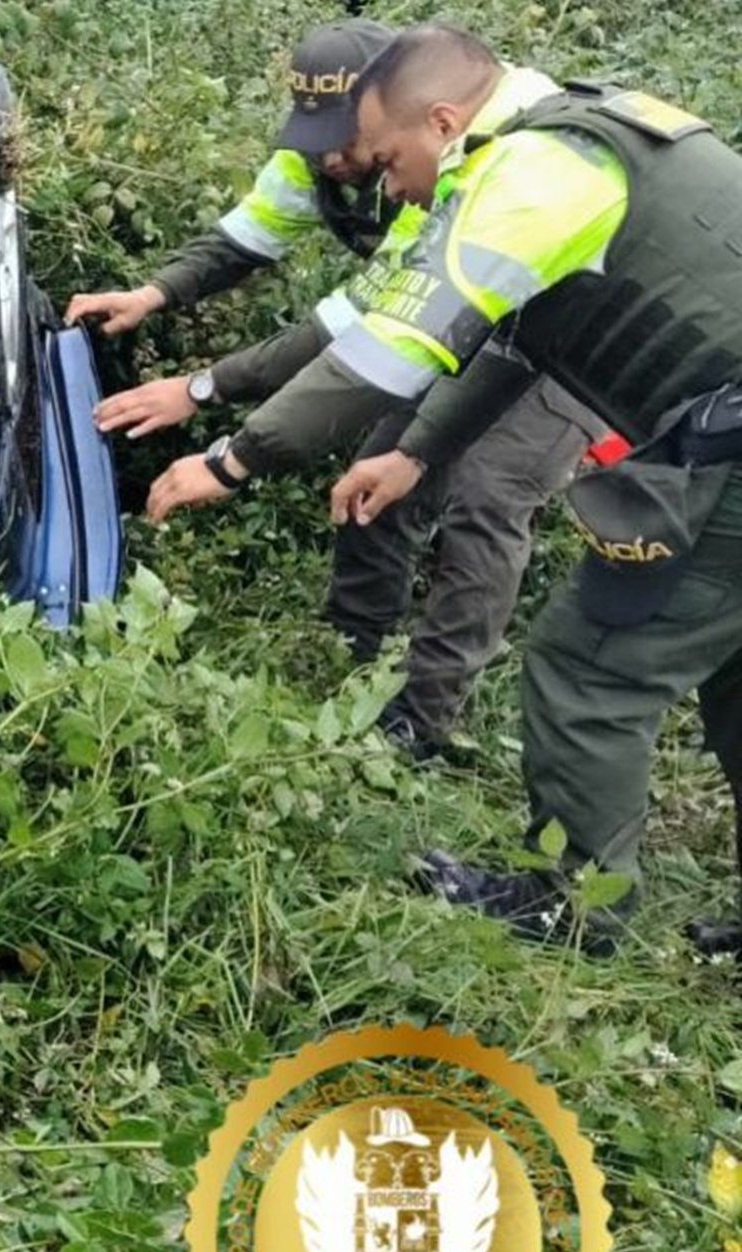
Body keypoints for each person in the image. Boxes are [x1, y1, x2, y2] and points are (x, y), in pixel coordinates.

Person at [149, 23, 742, 954]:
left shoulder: (532, 174)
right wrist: (417, 454)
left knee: (589, 666)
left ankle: (576, 909)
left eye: (388, 159)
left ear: (440, 120)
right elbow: (520, 339)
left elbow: (378, 356)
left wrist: (233, 460)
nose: (388, 188)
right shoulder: (567, 139)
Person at [75, 18, 602, 758]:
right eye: (314, 133)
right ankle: (356, 653)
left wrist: (204, 402)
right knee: (377, 475)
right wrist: (152, 294)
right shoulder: (323, 155)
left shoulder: (463, 163)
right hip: (453, 324)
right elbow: (243, 238)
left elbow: (354, 333)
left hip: (561, 339)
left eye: (347, 139)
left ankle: (421, 723)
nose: (328, 155)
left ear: (398, 115)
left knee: (487, 495)